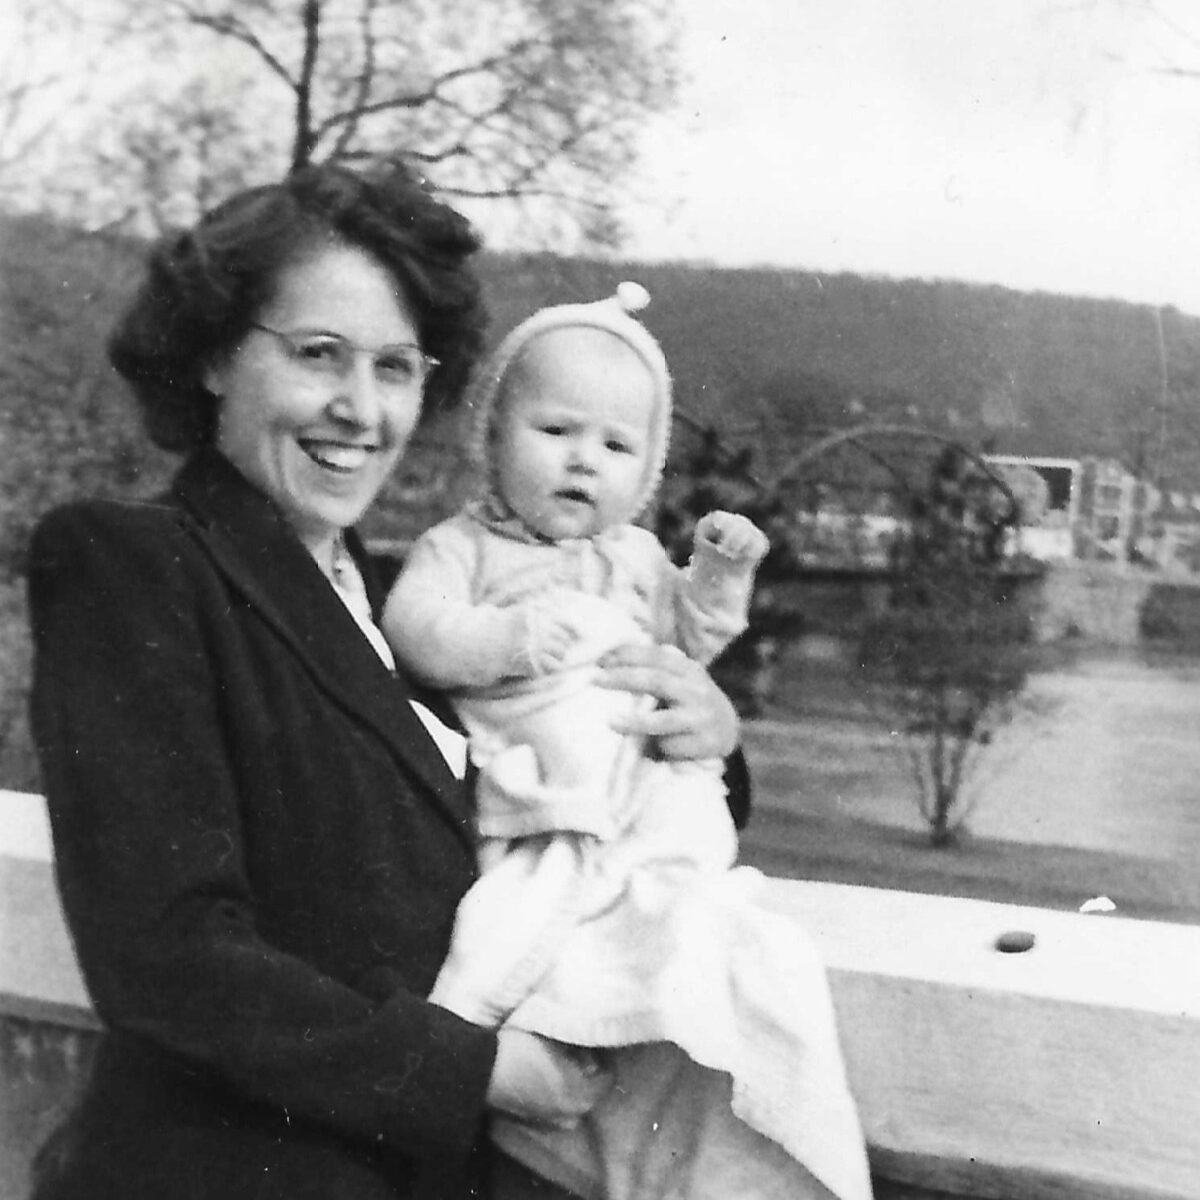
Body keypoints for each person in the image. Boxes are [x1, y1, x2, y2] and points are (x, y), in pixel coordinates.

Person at [25, 164, 743, 1200]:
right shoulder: (135, 565)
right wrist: (470, 1071)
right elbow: (165, 954)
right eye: (317, 354)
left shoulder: (411, 604)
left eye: (396, 368)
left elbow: (541, 767)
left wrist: (702, 730)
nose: (360, 410)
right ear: (217, 355)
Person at [383, 289, 873, 1200]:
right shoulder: (461, 547)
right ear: (492, 435)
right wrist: (508, 641)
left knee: (692, 894)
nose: (583, 460)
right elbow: (417, 627)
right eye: (555, 430)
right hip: (544, 787)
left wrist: (719, 572)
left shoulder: (640, 555)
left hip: (641, 783)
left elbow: (691, 640)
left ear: (645, 470)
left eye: (616, 446)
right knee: (526, 915)